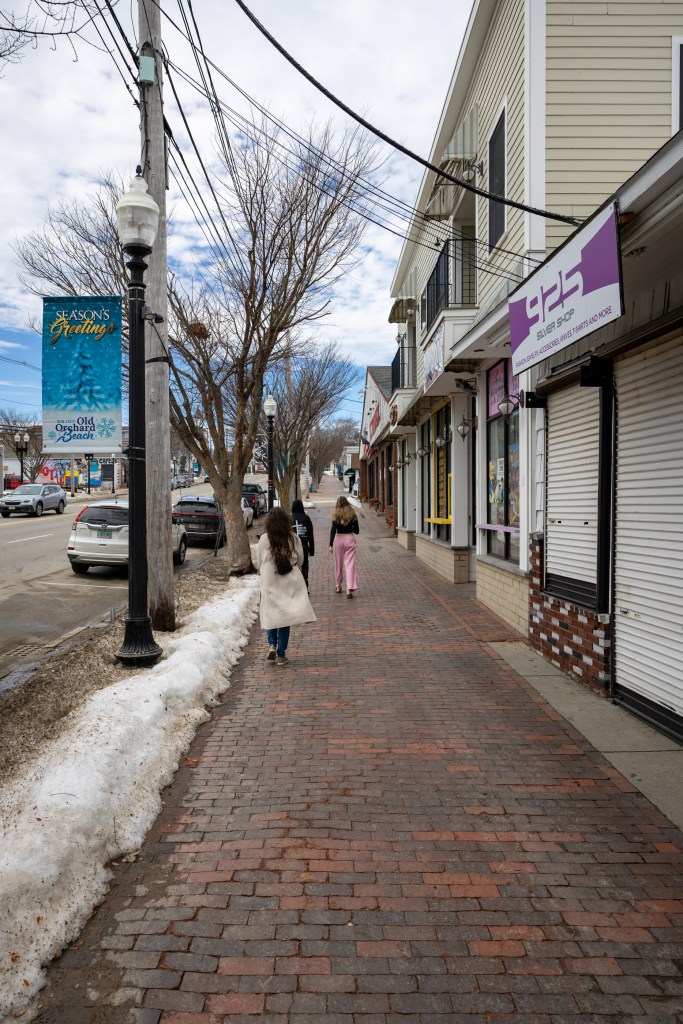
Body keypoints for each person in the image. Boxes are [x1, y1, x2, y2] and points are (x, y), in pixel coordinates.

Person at [255, 506, 316, 666]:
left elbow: (259, 562)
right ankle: (281, 654)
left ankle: (272, 645)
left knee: (271, 613)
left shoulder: (264, 539)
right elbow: (301, 559)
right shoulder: (293, 538)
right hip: (288, 579)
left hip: (270, 578)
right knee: (284, 617)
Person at [329, 494, 359, 598]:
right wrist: (351, 526)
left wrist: (330, 545)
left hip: (338, 539)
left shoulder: (335, 515)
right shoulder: (352, 514)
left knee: (338, 564)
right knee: (349, 565)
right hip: (349, 539)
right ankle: (349, 589)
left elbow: (333, 530)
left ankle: (338, 586)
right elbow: (357, 531)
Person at [291, 498, 315, 590]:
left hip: (292, 546)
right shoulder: (306, 518)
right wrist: (312, 550)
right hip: (303, 545)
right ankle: (305, 584)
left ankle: (295, 587)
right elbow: (310, 535)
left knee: (294, 565)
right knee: (304, 565)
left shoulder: (290, 518)